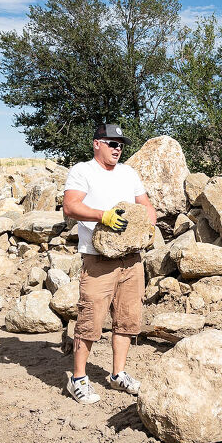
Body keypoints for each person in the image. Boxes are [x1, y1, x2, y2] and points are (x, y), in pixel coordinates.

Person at [62, 123, 157, 404]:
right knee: (90, 319)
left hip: (131, 258)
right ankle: (78, 379)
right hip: (98, 258)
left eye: (121, 144)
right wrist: (102, 216)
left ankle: (118, 374)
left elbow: (146, 205)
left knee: (127, 319)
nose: (118, 148)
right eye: (112, 143)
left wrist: (147, 225)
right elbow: (70, 207)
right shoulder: (82, 171)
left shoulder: (129, 173)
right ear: (97, 144)